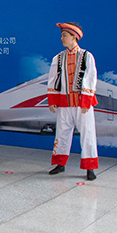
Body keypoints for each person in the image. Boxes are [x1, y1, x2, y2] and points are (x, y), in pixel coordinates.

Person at [47, 22, 99, 181]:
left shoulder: (86, 56)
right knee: (62, 133)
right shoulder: (58, 58)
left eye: (64, 35)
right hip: (64, 102)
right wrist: (53, 99)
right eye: (61, 35)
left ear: (74, 36)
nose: (61, 38)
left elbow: (90, 78)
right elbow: (53, 79)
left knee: (87, 134)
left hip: (81, 103)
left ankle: (90, 167)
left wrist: (86, 101)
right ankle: (60, 164)